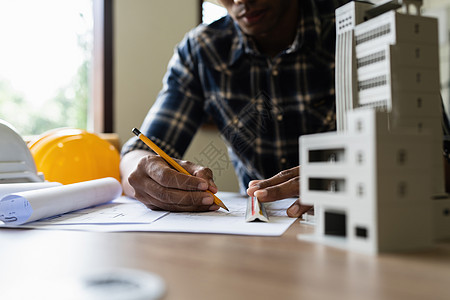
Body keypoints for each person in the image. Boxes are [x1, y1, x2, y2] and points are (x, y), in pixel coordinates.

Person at [120, 0, 348, 217]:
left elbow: (384, 146)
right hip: (256, 229)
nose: (241, 1)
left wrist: (349, 176)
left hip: (354, 212)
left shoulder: (351, 23)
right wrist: (146, 174)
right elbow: (140, 153)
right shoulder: (202, 51)